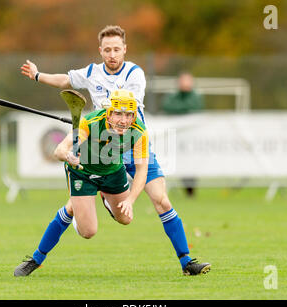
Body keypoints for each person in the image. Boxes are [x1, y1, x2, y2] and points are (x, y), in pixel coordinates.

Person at [15, 25, 210, 276]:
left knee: (161, 200)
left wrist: (102, 116)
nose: (112, 54)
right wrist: (38, 75)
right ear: (100, 51)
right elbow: (66, 80)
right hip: (101, 145)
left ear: (125, 49)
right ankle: (37, 258)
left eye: (117, 49)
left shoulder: (135, 74)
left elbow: (126, 106)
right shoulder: (92, 72)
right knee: (76, 209)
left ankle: (187, 263)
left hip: (131, 140)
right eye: (107, 50)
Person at [14, 89, 149, 276]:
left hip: (113, 172)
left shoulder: (138, 131)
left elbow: (142, 170)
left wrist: (131, 200)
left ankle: (100, 198)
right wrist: (68, 156)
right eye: (118, 113)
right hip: (83, 172)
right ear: (109, 113)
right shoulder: (90, 122)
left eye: (128, 115)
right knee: (88, 232)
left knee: (126, 219)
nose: (123, 120)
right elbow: (59, 150)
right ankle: (36, 259)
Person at [161, 72, 204, 197]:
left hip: (191, 137)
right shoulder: (172, 96)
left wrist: (180, 109)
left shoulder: (196, 96)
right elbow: (168, 107)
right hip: (174, 135)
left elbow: (195, 108)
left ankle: (190, 190)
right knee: (172, 161)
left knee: (191, 163)